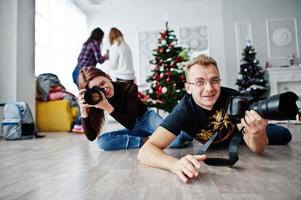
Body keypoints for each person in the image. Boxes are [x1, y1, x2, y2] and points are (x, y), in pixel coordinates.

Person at [137, 54, 292, 183]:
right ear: (188, 88)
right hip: (206, 139)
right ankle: (184, 135)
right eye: (199, 82)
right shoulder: (183, 110)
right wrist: (174, 165)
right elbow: (145, 152)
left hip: (238, 137)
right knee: (177, 139)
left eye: (214, 80)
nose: (209, 88)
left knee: (283, 134)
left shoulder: (235, 99)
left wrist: (258, 134)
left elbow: (257, 149)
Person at [77, 67, 163, 150]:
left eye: (103, 83)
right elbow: (91, 137)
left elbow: (130, 123)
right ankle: (145, 141)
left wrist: (107, 106)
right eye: (97, 89)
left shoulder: (129, 87)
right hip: (135, 128)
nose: (104, 90)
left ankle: (157, 137)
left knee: (175, 140)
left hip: (147, 118)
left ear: (108, 77)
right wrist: (83, 111)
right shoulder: (97, 99)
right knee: (103, 141)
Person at [71, 27, 108, 133]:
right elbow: (99, 60)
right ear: (100, 36)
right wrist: (105, 57)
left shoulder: (86, 43)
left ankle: (80, 124)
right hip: (82, 73)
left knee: (84, 97)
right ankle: (79, 124)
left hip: (76, 71)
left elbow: (79, 59)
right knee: (85, 98)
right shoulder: (95, 43)